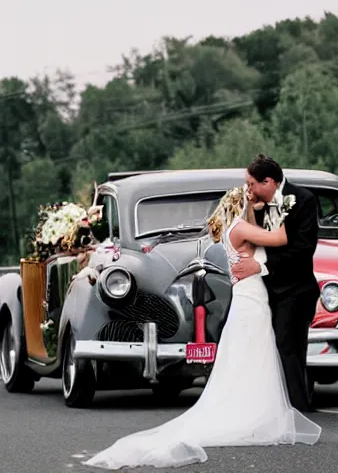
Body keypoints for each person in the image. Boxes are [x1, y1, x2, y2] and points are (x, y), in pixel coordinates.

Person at [82, 185, 321, 470]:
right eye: (251, 202)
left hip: (249, 298)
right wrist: (280, 213)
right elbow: (281, 238)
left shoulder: (234, 230)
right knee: (255, 354)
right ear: (242, 206)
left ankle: (254, 408)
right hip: (252, 299)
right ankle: (257, 412)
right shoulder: (242, 229)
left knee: (248, 357)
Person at [231, 155, 320, 413]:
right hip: (258, 291)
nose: (247, 189)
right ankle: (265, 407)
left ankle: (298, 409)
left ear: (268, 181)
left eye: (251, 184)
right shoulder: (254, 205)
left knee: (288, 347)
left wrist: (261, 265)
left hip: (294, 289)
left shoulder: (303, 200)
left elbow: (303, 249)